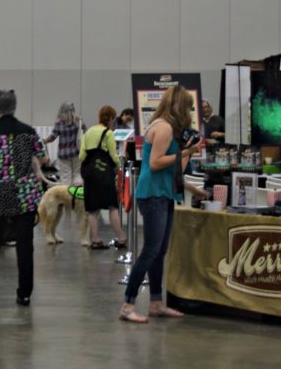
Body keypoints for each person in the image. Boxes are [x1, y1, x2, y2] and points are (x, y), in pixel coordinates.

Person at [120, 86, 202, 324]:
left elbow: (175, 169)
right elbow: (155, 163)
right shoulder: (163, 127)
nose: (190, 112)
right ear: (179, 107)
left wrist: (187, 154)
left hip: (164, 193)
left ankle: (156, 303)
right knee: (150, 251)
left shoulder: (170, 130)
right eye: (188, 107)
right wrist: (185, 151)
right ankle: (127, 305)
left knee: (159, 251)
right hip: (153, 194)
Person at [0, 89, 48, 306]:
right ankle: (24, 293)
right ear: (15, 107)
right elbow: (44, 157)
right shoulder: (28, 131)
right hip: (25, 194)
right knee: (25, 245)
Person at [80, 105, 128, 249]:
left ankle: (95, 240)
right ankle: (121, 238)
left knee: (93, 209)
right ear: (111, 118)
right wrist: (119, 166)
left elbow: (81, 155)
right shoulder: (108, 134)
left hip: (89, 175)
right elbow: (114, 156)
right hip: (104, 175)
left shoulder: (88, 132)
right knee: (112, 206)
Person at [43, 102, 86, 185]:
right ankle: (76, 195)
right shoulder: (79, 121)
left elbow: (52, 137)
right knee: (77, 175)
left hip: (63, 155)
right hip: (77, 153)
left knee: (66, 177)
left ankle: (66, 196)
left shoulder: (59, 123)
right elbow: (85, 133)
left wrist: (43, 141)